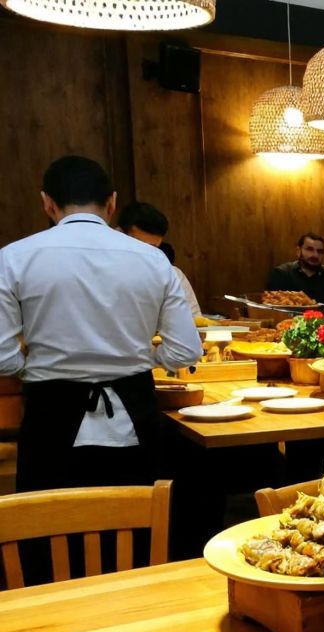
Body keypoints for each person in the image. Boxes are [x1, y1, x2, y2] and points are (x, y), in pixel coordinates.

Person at [0, 155, 201, 491]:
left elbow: (2, 356)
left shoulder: (13, 257)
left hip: (50, 419)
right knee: (135, 530)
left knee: (50, 530)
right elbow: (184, 350)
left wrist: (39, 366)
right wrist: (137, 359)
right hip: (134, 416)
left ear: (47, 203)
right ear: (112, 202)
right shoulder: (154, 260)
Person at [116, 201, 201, 317]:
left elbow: (194, 322)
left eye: (153, 248)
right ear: (118, 234)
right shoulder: (102, 273)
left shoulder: (172, 275)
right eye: (139, 246)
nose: (145, 254)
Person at [267, 232, 324, 306]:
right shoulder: (281, 273)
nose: (315, 255)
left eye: (320, 251)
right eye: (309, 249)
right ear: (298, 251)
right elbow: (272, 305)